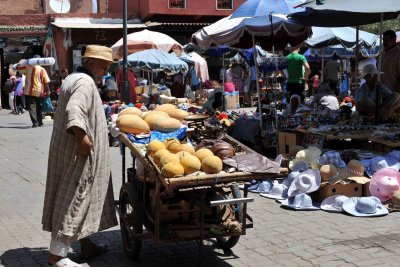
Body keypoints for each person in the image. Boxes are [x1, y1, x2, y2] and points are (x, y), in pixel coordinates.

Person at [42, 45, 118, 267]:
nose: (105, 71)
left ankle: (86, 245)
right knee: (75, 197)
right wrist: (83, 139)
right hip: (79, 154)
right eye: (103, 66)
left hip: (67, 150)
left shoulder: (74, 78)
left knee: (83, 197)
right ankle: (57, 256)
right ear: (91, 63)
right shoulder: (84, 82)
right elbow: (74, 110)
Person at [23, 55, 50, 127]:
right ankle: (40, 121)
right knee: (39, 107)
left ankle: (35, 122)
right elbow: (46, 81)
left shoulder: (27, 68)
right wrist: (48, 91)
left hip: (29, 91)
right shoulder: (42, 69)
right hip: (39, 91)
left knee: (32, 107)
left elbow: (20, 68)